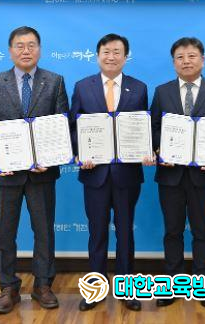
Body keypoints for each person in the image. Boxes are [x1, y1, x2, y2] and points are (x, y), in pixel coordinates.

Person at [0, 26, 69, 314]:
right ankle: (8, 287)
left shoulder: (54, 81)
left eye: (31, 45)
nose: (25, 50)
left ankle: (43, 284)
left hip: (42, 173)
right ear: (10, 50)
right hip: (6, 174)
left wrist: (51, 157)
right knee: (5, 234)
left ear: (39, 49)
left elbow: (62, 123)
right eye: (20, 45)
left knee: (44, 231)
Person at [69, 33, 153, 312]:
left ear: (126, 57)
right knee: (97, 233)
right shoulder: (83, 87)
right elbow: (73, 126)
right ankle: (94, 290)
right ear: (97, 56)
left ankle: (128, 289)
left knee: (125, 233)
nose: (111, 56)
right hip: (94, 174)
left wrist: (146, 150)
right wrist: (80, 153)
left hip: (127, 174)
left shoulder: (139, 88)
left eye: (117, 52)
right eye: (106, 51)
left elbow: (143, 127)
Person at [150, 37, 205, 310]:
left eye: (192, 56)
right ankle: (172, 285)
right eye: (180, 57)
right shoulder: (162, 92)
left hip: (203, 175)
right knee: (172, 232)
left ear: (202, 60)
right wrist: (159, 149)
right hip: (170, 175)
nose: (186, 61)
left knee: (202, 232)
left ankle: (202, 285)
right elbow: (154, 127)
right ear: (174, 62)